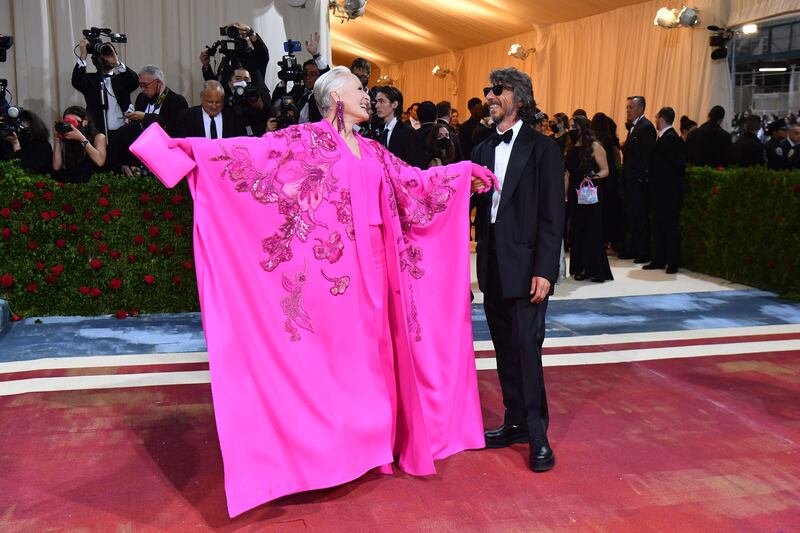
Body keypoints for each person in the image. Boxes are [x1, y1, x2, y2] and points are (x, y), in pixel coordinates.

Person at [130, 66, 496, 518]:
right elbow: (250, 155)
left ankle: (381, 447)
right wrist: (177, 149)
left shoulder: (376, 152)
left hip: (383, 270)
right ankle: (339, 450)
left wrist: (462, 174)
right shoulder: (306, 139)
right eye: (360, 89)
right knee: (344, 363)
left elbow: (414, 184)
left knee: (382, 357)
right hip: (336, 276)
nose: (369, 95)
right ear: (334, 98)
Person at [471, 67, 565, 472]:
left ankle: (537, 434)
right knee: (505, 350)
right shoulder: (480, 149)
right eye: (489, 90)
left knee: (528, 350)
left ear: (520, 99)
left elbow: (552, 215)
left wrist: (546, 269)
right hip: (492, 268)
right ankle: (513, 422)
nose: (490, 96)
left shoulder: (544, 149)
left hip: (528, 268)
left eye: (499, 90)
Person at [71, 39, 137, 169]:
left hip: (122, 133)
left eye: (109, 54)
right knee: (102, 168)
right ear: (95, 59)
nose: (106, 58)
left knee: (121, 168)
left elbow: (134, 81)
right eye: (103, 55)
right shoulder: (90, 80)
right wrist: (83, 54)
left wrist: (117, 63)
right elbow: (77, 81)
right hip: (98, 134)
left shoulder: (122, 79)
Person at [565, 116, 613, 282]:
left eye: (574, 126)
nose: (570, 129)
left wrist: (594, 176)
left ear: (582, 128)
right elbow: (568, 173)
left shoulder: (594, 146)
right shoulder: (571, 147)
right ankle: (581, 268)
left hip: (589, 194)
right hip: (574, 193)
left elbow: (606, 169)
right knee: (577, 231)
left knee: (591, 231)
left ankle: (595, 270)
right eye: (570, 126)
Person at [644, 107, 685, 274]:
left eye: (656, 117)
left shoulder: (671, 139)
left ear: (661, 118)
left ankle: (672, 261)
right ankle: (659, 259)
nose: (655, 120)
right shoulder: (664, 138)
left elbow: (676, 166)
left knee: (668, 226)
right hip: (660, 191)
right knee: (659, 225)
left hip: (667, 193)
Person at [619, 96, 656, 263]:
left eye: (631, 107)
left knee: (640, 216)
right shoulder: (634, 128)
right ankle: (633, 248)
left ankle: (642, 251)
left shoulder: (646, 127)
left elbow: (647, 156)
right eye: (627, 107)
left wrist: (642, 179)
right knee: (631, 216)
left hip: (638, 182)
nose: (628, 110)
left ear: (641, 109)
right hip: (630, 181)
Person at [272, 33, 330, 124]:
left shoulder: (323, 95)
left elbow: (328, 77)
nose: (308, 77)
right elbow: (277, 102)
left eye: (314, 74)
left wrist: (316, 55)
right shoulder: (298, 91)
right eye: (305, 73)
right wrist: (284, 79)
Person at [200, 21, 269, 95]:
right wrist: (206, 66)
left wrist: (250, 31)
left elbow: (262, 50)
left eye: (243, 35)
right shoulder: (228, 58)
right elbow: (216, 84)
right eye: (237, 35)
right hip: (229, 103)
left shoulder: (257, 57)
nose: (240, 38)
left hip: (253, 101)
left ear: (250, 38)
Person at [591, 112, 624, 250]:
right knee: (611, 211)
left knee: (598, 212)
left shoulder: (593, 142)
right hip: (611, 181)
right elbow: (617, 160)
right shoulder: (611, 141)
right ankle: (612, 240)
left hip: (598, 180)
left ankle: (600, 240)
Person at [52, 105, 106, 183]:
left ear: (85, 122)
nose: (71, 126)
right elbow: (56, 166)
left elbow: (100, 161)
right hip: (70, 181)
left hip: (92, 182)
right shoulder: (66, 137)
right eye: (67, 122)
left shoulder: (99, 137)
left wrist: (82, 139)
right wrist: (57, 140)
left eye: (73, 122)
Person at [173, 81, 244, 139]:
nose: (214, 106)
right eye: (210, 102)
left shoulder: (234, 118)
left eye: (218, 102)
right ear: (201, 99)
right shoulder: (186, 117)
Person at [373, 85, 418, 165]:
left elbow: (414, 165)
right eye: (376, 102)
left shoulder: (408, 132)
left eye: (382, 101)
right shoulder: (378, 130)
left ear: (394, 104)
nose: (376, 106)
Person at [0, 109, 53, 174]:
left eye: (18, 124)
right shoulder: (5, 142)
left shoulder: (42, 146)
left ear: (32, 125)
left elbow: (27, 169)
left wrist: (15, 143)